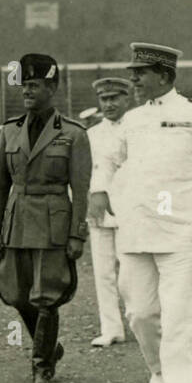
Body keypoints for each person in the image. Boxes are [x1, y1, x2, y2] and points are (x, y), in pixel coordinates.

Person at [89, 43, 192, 383]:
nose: (133, 78)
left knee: (180, 316)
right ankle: (157, 369)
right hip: (137, 230)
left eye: (141, 72)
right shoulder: (132, 120)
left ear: (165, 76)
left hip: (184, 233)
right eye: (133, 72)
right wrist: (102, 189)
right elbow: (109, 160)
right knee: (138, 310)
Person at [0, 53, 91, 383]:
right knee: (17, 293)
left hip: (52, 222)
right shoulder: (10, 131)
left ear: (52, 87)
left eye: (34, 86)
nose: (27, 92)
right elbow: (0, 184)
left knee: (47, 297)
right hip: (17, 220)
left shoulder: (73, 135)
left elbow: (81, 187)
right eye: (24, 86)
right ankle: (49, 347)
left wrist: (77, 233)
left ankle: (41, 366)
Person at [85, 77, 133, 348]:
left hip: (129, 209)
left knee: (131, 271)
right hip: (100, 208)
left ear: (127, 99)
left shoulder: (137, 128)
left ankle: (139, 320)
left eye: (115, 98)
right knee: (103, 271)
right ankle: (111, 328)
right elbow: (87, 174)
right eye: (105, 99)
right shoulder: (92, 134)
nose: (110, 104)